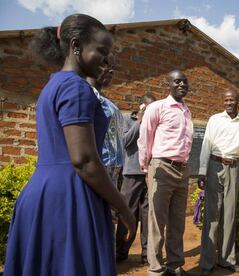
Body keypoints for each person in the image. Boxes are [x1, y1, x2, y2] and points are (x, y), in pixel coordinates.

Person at [4, 14, 135, 275]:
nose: (107, 60)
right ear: (76, 46)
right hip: (70, 198)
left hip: (44, 194)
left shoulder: (53, 85)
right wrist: (123, 208)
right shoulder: (76, 88)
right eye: (102, 51)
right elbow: (84, 160)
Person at [138, 70, 193, 276]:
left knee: (177, 221)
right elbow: (145, 137)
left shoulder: (187, 111)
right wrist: (146, 167)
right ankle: (155, 269)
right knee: (156, 221)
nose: (182, 85)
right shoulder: (157, 107)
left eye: (184, 81)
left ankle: (175, 265)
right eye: (177, 81)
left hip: (182, 170)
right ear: (168, 85)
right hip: (161, 168)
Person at [198, 89, 239, 276]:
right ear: (223, 101)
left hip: (233, 167)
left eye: (233, 100)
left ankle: (226, 260)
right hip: (215, 166)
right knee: (212, 215)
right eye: (226, 100)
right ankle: (207, 263)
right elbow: (206, 144)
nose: (229, 103)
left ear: (238, 101)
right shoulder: (215, 119)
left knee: (229, 216)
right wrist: (202, 171)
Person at [116, 92, 157, 264]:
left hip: (151, 174)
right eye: (148, 108)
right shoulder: (127, 119)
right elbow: (124, 142)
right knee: (127, 213)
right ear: (141, 107)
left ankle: (146, 254)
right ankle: (120, 251)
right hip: (131, 173)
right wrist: (139, 122)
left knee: (148, 216)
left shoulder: (156, 122)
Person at [87, 53, 124, 197]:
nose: (111, 71)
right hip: (97, 170)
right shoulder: (85, 97)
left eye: (113, 67)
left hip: (113, 171)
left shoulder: (107, 104)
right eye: (105, 64)